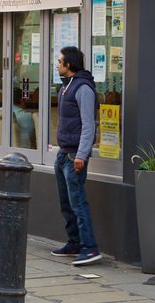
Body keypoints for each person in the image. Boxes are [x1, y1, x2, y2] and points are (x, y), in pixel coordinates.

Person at [50, 46, 101, 266]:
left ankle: (90, 248)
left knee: (78, 203)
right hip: (63, 154)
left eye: (60, 61)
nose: (57, 64)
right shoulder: (65, 87)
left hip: (74, 157)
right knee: (66, 203)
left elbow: (89, 126)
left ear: (69, 64)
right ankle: (74, 243)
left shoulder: (83, 88)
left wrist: (82, 154)